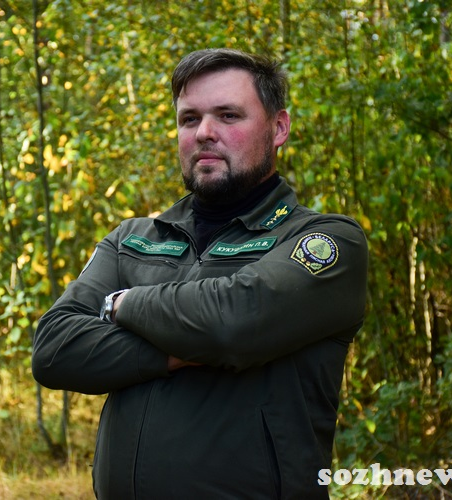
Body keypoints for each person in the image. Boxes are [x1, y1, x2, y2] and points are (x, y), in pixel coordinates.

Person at [32, 48, 368, 499]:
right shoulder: (132, 239)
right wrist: (174, 352)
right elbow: (54, 349)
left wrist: (120, 304)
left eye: (228, 115)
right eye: (189, 119)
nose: (205, 132)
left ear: (279, 127)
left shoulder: (326, 241)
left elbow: (233, 322)